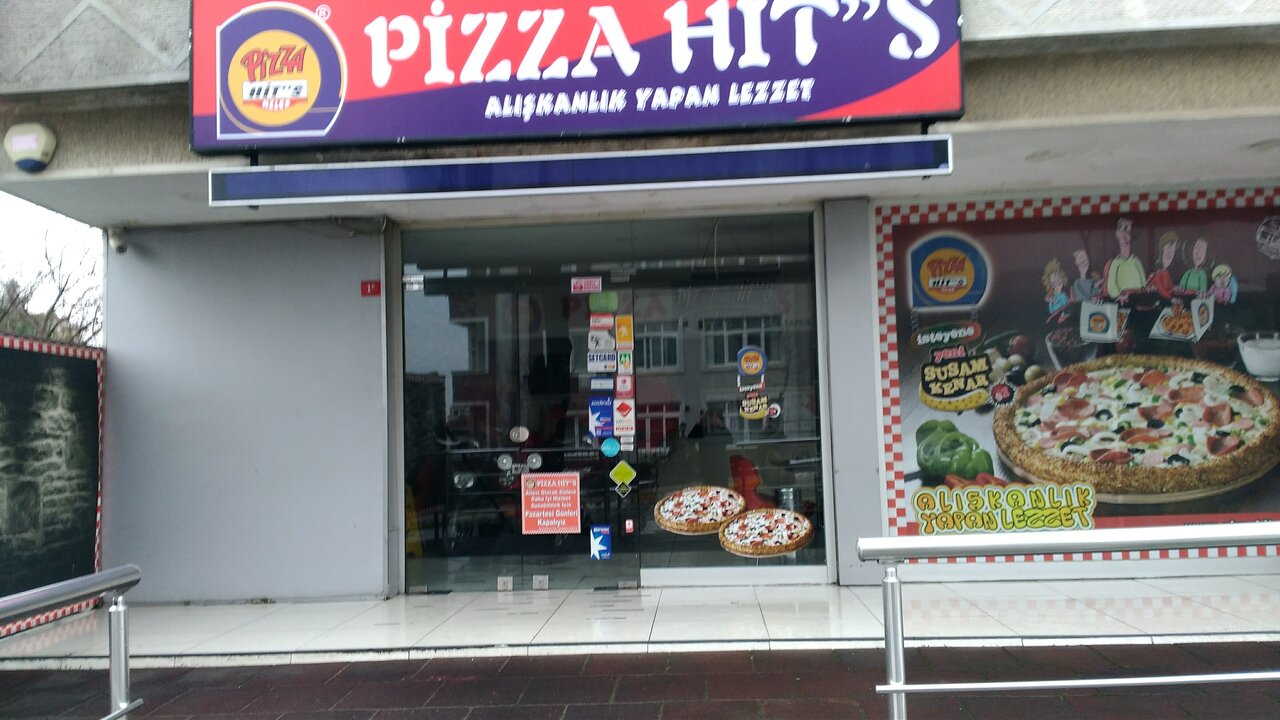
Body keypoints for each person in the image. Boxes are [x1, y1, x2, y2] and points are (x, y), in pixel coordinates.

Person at [1105, 217, 1146, 299]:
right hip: (1123, 300)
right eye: (1121, 231)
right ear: (1117, 234)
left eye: (1127, 231)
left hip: (1139, 298)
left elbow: (1143, 284)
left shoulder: (1136, 261)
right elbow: (1111, 286)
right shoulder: (1115, 262)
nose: (1124, 236)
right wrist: (1119, 296)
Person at [1146, 231, 1181, 300]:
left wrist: (1175, 289)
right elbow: (1148, 284)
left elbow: (1173, 287)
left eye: (1173, 247)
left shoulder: (1178, 268)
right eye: (1169, 246)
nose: (1170, 250)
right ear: (1162, 247)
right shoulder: (1153, 266)